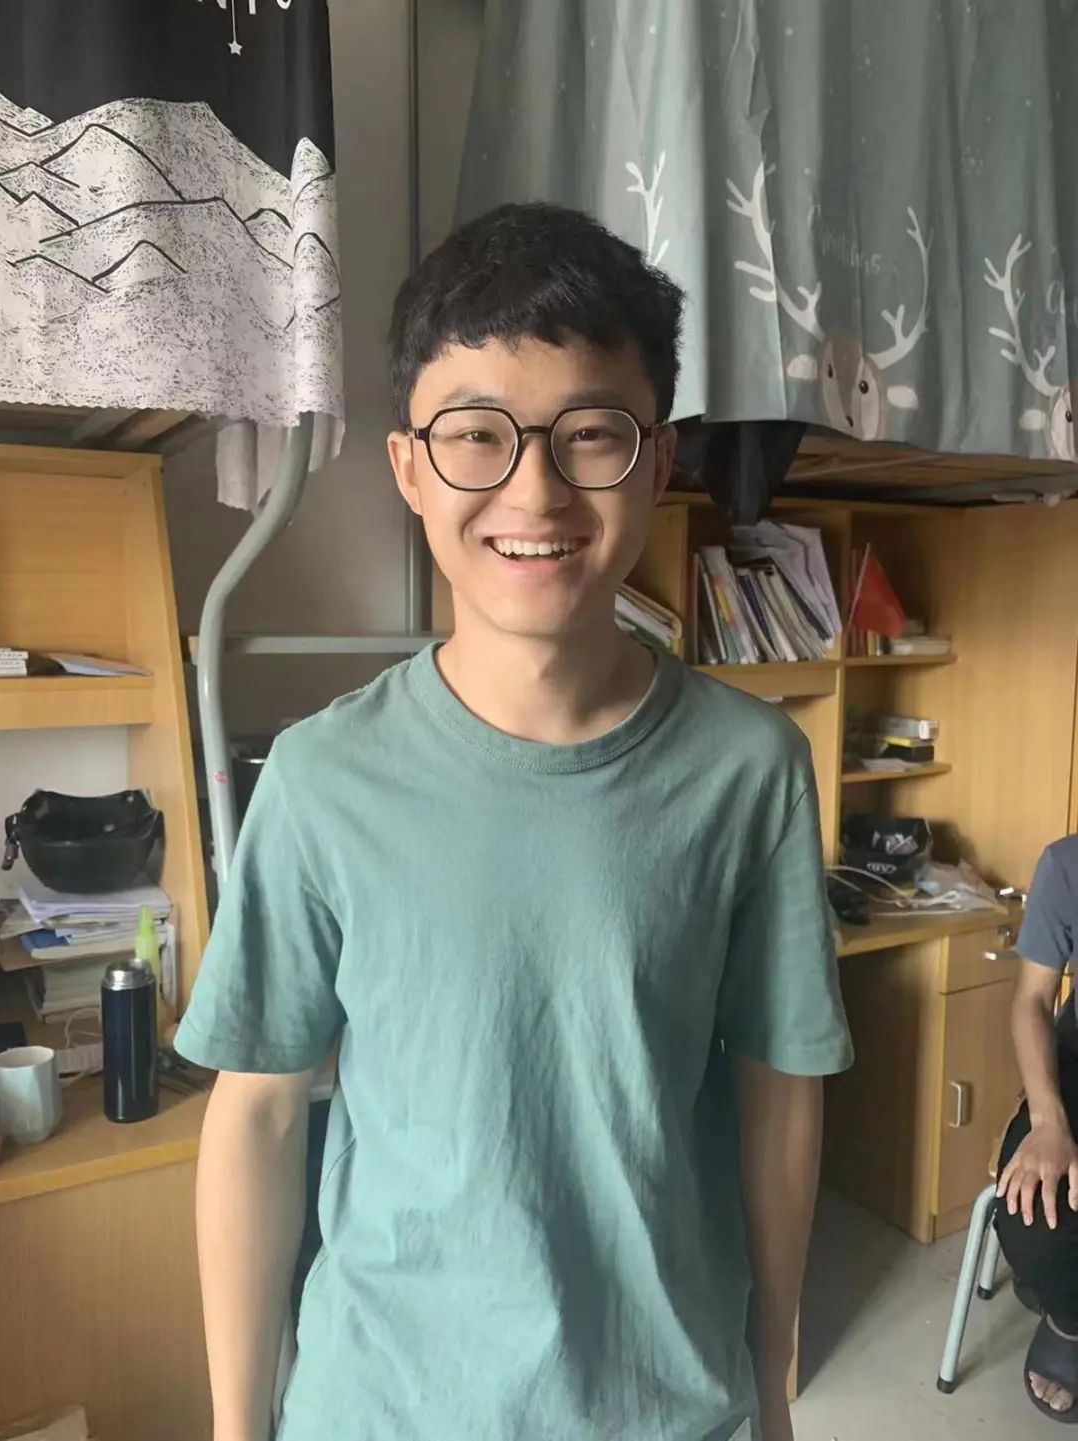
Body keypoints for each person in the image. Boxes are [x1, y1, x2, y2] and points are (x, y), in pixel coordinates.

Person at [175, 201, 853, 1441]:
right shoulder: (322, 778)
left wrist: (772, 1386)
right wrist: (235, 1426)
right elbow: (258, 1111)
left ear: (657, 459)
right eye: (476, 435)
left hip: (663, 1404)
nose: (533, 490)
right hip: (379, 1407)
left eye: (590, 433)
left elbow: (780, 1091)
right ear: (409, 467)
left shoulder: (752, 769)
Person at [996, 834, 1078, 1423]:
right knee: (1034, 1216)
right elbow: (1031, 1000)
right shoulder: (1067, 864)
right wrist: (1048, 1121)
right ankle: (1070, 1320)